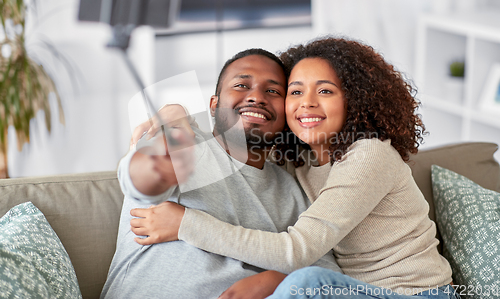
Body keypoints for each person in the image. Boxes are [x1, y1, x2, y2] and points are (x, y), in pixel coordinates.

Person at [129, 37, 460, 299]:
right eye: (295, 91)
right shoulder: (296, 160)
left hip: (415, 294)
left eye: (326, 91)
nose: (307, 103)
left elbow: (296, 251)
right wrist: (177, 115)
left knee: (307, 283)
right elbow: (237, 128)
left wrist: (187, 223)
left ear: (354, 101)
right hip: (347, 291)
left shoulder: (367, 155)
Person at [100, 48, 340, 299]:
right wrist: (155, 168)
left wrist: (278, 280)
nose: (257, 97)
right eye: (241, 85)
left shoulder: (295, 193)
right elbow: (137, 180)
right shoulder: (182, 143)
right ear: (214, 105)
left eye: (273, 91)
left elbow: (327, 281)